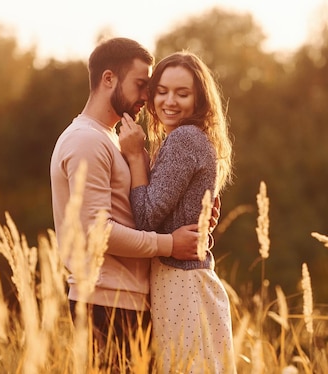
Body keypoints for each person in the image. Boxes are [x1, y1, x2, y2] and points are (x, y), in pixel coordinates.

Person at [49, 38, 202, 371]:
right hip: (106, 302)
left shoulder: (110, 137)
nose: (147, 97)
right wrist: (170, 244)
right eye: (141, 85)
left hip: (125, 301)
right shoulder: (86, 140)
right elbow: (96, 232)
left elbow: (138, 209)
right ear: (108, 79)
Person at [118, 51, 236, 373]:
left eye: (182, 94)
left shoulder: (184, 138)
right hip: (186, 279)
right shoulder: (188, 138)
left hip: (179, 282)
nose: (169, 101)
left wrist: (134, 158)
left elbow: (145, 219)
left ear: (199, 99)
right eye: (162, 91)